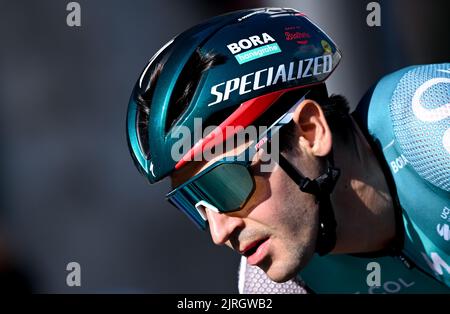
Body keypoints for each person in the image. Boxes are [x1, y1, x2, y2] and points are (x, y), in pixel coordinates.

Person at [126, 7, 450, 293]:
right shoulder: (268, 285)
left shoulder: (430, 126)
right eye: (193, 204)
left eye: (224, 185)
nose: (220, 232)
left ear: (310, 131)